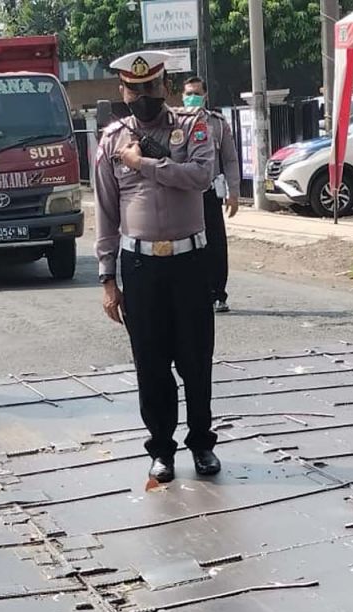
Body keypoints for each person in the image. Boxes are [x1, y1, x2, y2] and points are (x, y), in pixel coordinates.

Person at [95, 51, 219, 483]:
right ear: (123, 91)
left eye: (150, 87)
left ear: (164, 87)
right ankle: (161, 450)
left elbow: (200, 177)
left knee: (196, 359)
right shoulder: (111, 140)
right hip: (140, 265)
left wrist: (142, 164)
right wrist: (107, 278)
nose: (143, 96)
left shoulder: (192, 126)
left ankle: (202, 443)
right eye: (135, 90)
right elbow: (106, 212)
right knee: (150, 363)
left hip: (190, 260)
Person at [181, 76, 240, 314]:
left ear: (205, 96)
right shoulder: (175, 123)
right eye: (188, 93)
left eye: (196, 93)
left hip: (210, 192)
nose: (192, 97)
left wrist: (234, 192)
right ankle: (194, 294)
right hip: (184, 195)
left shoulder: (217, 123)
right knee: (187, 246)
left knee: (215, 244)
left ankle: (218, 294)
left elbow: (230, 159)